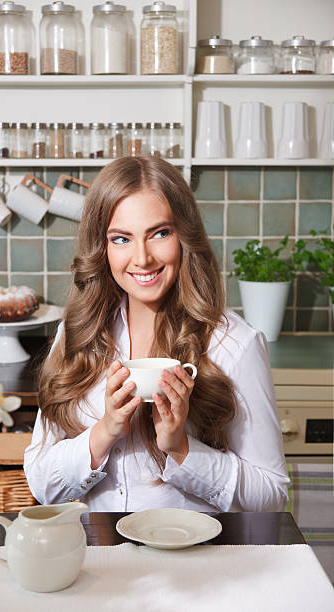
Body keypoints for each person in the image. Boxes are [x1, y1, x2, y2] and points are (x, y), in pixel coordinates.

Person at [24, 156, 289, 513]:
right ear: (101, 249)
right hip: (102, 562)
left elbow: (272, 496)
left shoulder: (234, 344)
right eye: (121, 239)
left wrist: (180, 449)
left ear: (184, 237)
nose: (142, 258)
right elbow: (42, 485)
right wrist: (105, 432)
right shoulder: (77, 336)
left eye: (160, 233)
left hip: (196, 564)